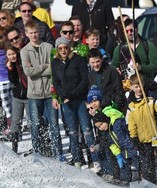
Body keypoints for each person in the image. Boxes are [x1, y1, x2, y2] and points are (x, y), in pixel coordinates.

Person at [51, 36, 100, 170]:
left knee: (87, 130)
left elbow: (85, 80)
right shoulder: (55, 63)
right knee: (72, 132)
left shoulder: (78, 60)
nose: (63, 50)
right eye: (60, 48)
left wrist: (72, 95)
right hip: (66, 102)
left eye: (65, 47)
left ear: (69, 48)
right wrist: (62, 95)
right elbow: (56, 82)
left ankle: (94, 159)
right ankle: (77, 159)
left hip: (79, 100)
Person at [21, 20, 63, 158]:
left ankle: (58, 152)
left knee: (54, 125)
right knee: (35, 125)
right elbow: (28, 72)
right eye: (31, 33)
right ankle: (37, 152)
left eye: (35, 32)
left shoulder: (49, 47)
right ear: (27, 34)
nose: (34, 35)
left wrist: (37, 69)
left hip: (49, 93)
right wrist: (44, 66)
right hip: (34, 94)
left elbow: (54, 69)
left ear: (39, 32)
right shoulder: (24, 51)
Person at [113, 19, 157, 95]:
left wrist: (141, 67)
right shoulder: (120, 48)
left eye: (131, 30)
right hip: (127, 89)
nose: (129, 33)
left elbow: (156, 66)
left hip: (146, 88)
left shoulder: (148, 45)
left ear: (137, 29)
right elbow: (113, 66)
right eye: (127, 31)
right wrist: (116, 71)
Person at [91, 109, 135, 186]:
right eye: (98, 127)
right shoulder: (107, 132)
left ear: (105, 120)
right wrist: (118, 155)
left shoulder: (117, 124)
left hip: (131, 146)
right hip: (123, 149)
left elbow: (128, 131)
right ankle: (126, 180)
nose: (101, 128)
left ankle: (142, 179)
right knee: (124, 165)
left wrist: (133, 143)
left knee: (138, 162)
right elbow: (112, 144)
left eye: (101, 124)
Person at [6, 44, 29, 153]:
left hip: (29, 96)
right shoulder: (12, 66)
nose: (12, 56)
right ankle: (14, 147)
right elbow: (14, 81)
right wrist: (10, 69)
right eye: (9, 55)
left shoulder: (22, 63)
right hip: (17, 97)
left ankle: (38, 145)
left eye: (13, 54)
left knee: (32, 121)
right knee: (15, 122)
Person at [88, 48, 126, 112]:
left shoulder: (111, 71)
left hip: (112, 107)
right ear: (89, 62)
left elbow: (119, 91)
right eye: (92, 62)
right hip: (99, 109)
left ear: (102, 59)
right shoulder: (91, 75)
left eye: (97, 61)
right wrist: (92, 107)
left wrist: (115, 106)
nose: (95, 65)